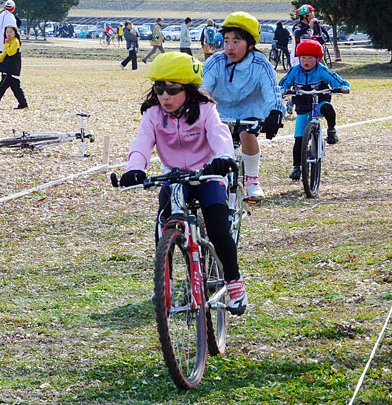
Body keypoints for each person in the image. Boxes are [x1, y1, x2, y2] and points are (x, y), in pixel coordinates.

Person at [118, 52, 247, 315]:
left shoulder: (206, 110)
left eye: (173, 90)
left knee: (217, 227)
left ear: (187, 90)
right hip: (174, 176)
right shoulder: (153, 115)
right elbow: (142, 144)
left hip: (207, 174)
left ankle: (234, 282)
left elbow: (220, 136)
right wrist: (134, 169)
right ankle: (163, 280)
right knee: (162, 221)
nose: (165, 97)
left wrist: (223, 158)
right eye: (159, 89)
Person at [202, 11, 284, 201]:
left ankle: (252, 180)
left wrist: (275, 112)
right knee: (211, 140)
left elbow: (272, 90)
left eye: (236, 41)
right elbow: (202, 87)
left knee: (247, 133)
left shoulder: (260, 63)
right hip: (219, 111)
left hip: (250, 111)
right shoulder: (216, 61)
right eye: (226, 41)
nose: (229, 47)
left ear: (250, 44)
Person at [278, 40, 349, 180]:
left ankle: (331, 130)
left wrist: (343, 86)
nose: (306, 61)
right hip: (303, 107)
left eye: (310, 58)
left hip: (320, 102)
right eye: (303, 57)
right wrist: (281, 90)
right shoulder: (295, 71)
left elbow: (334, 78)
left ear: (318, 59)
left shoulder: (321, 70)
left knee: (328, 109)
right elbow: (283, 82)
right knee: (298, 139)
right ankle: (296, 168)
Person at [0, 25, 27, 110]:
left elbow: (10, 52)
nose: (9, 34)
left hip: (11, 69)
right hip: (11, 69)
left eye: (11, 32)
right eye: (7, 32)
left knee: (1, 87)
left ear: (15, 33)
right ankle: (23, 104)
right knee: (16, 88)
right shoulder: (9, 42)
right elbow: (4, 54)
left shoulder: (15, 41)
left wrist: (6, 44)